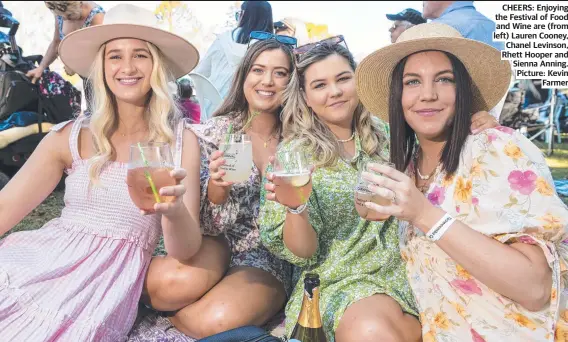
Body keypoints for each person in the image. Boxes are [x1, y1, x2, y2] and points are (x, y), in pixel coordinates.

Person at [259, 36, 499, 342]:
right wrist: (296, 207)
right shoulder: (292, 157)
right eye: (319, 85)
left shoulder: (394, 132)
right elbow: (303, 254)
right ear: (305, 96)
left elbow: (440, 134)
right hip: (341, 279)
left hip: (413, 269)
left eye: (343, 79)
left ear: (357, 82)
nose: (334, 92)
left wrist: (477, 120)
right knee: (370, 329)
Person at [0, 4, 202, 340]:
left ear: (157, 65)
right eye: (114, 56)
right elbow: (4, 208)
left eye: (140, 55)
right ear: (101, 66)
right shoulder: (69, 136)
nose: (127, 67)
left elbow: (184, 250)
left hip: (102, 290)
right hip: (40, 263)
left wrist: (175, 210)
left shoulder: (182, 143)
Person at [356, 22, 568, 341]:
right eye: (412, 81)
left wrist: (425, 215)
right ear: (398, 96)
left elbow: (535, 288)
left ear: (463, 90)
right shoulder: (409, 165)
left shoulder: (496, 148)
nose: (428, 94)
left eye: (444, 79)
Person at [142, 37, 297, 339]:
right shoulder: (215, 133)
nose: (267, 81)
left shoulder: (299, 139)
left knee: (212, 321)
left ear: (292, 82)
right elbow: (207, 226)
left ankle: (175, 317)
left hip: (267, 253)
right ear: (244, 77)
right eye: (258, 70)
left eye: (280, 73)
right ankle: (177, 304)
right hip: (218, 241)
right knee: (164, 288)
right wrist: (217, 187)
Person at [26, 1, 105, 114]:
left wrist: (73, 63)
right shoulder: (60, 11)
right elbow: (57, 42)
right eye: (61, 16)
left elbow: (104, 56)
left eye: (69, 15)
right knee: (92, 115)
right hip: (87, 80)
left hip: (101, 79)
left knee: (101, 115)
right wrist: (41, 68)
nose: (64, 18)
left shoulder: (97, 17)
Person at [194, 1, 273, 101]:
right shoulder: (269, 47)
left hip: (215, 105)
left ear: (244, 15)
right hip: (250, 107)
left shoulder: (222, 40)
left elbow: (201, 73)